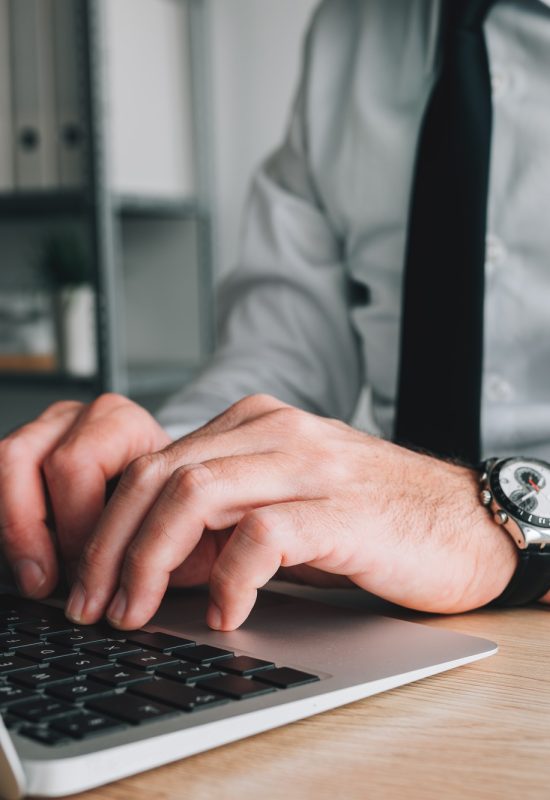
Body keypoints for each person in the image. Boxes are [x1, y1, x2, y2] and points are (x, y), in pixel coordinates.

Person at [1, 0, 549, 632]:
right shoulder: (348, 30)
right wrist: (157, 469)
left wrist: (471, 518)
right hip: (378, 621)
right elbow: (281, 353)